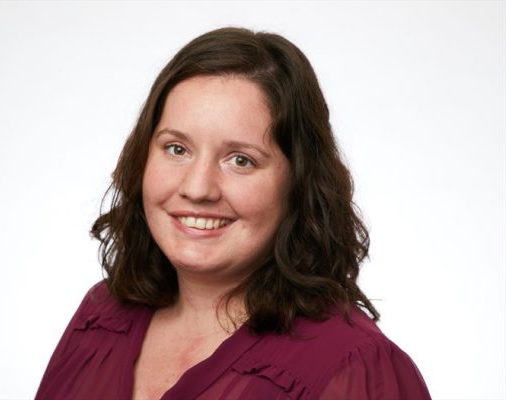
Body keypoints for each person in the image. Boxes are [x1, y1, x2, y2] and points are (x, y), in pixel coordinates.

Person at [36, 27, 431, 400]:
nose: (197, 188)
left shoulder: (354, 366)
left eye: (240, 160)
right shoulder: (101, 317)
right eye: (177, 149)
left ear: (299, 181)